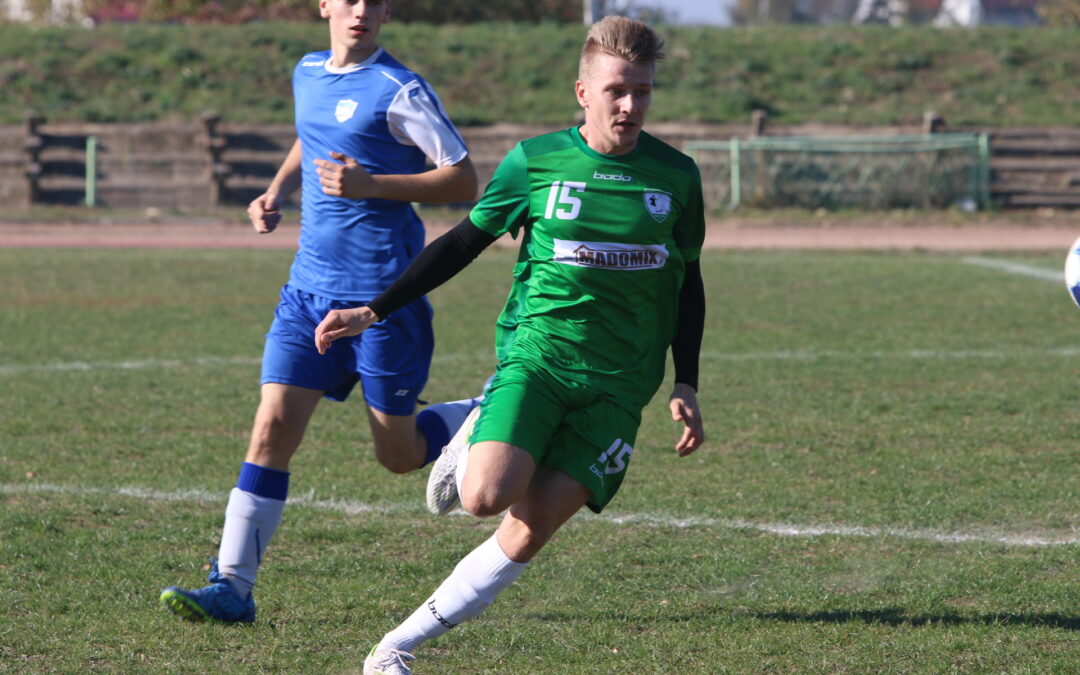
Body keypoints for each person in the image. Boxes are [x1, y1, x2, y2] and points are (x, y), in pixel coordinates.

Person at [313, 16, 706, 674]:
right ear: (583, 92)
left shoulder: (677, 177)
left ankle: (394, 649)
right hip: (540, 361)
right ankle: (471, 428)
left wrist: (685, 382)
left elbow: (688, 283)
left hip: (619, 389)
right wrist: (375, 309)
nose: (630, 104)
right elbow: (464, 242)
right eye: (616, 90)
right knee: (485, 497)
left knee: (532, 525)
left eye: (642, 90)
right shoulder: (537, 161)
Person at [159, 0, 480, 624]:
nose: (362, 11)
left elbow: (464, 181)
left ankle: (482, 411)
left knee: (398, 453)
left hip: (383, 303)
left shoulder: (399, 89)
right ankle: (233, 587)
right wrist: (276, 190)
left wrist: (374, 185)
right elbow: (313, 139)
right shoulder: (307, 71)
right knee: (272, 427)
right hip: (306, 292)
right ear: (325, 6)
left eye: (375, 1)